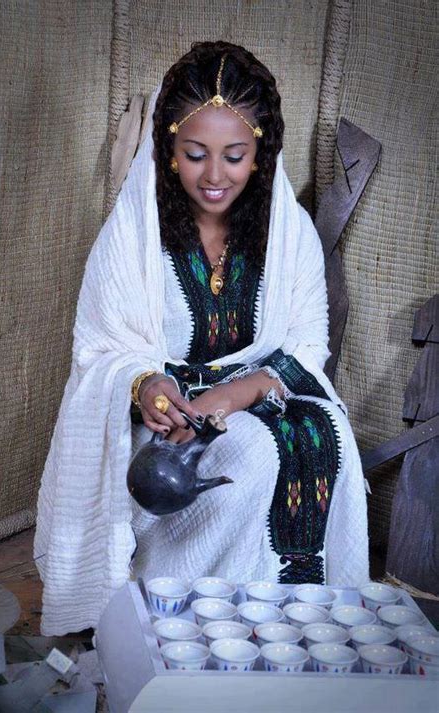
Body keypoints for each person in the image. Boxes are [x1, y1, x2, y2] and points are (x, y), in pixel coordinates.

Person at [34, 41, 369, 636]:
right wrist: (147, 386)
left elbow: (307, 345)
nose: (214, 176)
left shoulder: (286, 235)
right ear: (167, 151)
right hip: (170, 416)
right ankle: (186, 623)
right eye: (195, 155)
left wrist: (239, 394)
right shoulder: (134, 234)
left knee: (324, 433)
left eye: (234, 156)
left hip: (263, 395)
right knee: (247, 454)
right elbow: (101, 349)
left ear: (261, 155)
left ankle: (291, 626)